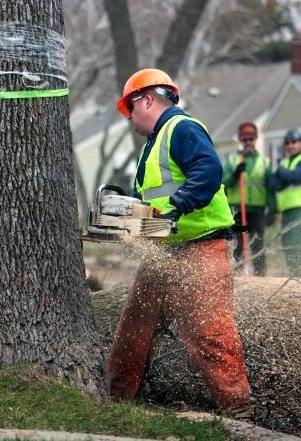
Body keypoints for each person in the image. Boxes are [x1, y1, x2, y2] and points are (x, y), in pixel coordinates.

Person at [106, 68, 251, 415]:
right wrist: (128, 222)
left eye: (130, 110)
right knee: (133, 329)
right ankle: (115, 402)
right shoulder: (151, 147)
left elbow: (207, 171)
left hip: (200, 246)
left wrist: (176, 209)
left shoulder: (181, 128)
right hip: (164, 252)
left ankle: (239, 409)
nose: (129, 119)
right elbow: (154, 202)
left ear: (147, 100)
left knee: (210, 329)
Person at [222, 122, 275, 276]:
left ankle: (260, 276)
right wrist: (235, 174)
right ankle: (238, 275)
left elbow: (270, 188)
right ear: (240, 140)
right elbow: (224, 183)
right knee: (237, 244)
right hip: (238, 209)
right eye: (245, 139)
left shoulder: (264, 162)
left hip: (257, 209)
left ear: (256, 138)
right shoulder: (233, 160)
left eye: (251, 139)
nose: (248, 142)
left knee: (258, 243)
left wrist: (273, 208)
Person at [270, 129, 301, 277]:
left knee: (297, 240)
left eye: (294, 142)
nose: (291, 145)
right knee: (287, 241)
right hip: (288, 209)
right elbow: (273, 184)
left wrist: (282, 173)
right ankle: (295, 274)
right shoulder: (286, 162)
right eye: (288, 143)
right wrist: (286, 176)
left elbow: (298, 176)